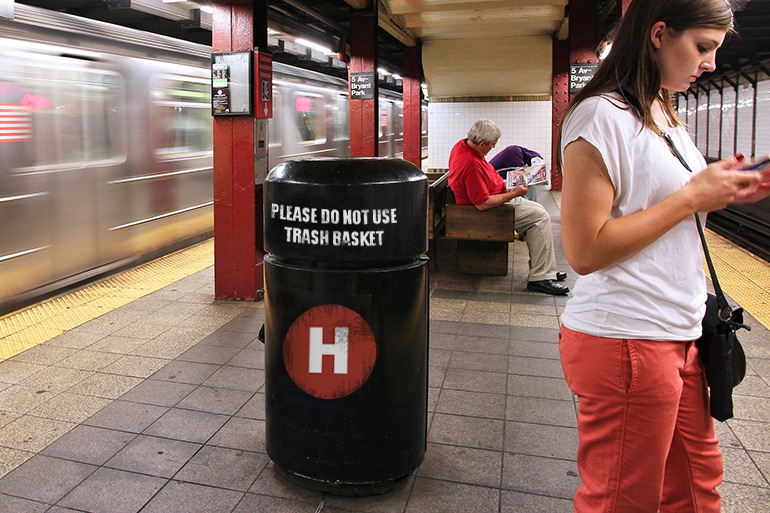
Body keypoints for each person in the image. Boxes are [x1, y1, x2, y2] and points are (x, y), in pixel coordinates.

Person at [557, 0, 770, 511]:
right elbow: (585, 250)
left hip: (679, 330)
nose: (711, 64)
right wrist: (692, 198)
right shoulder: (599, 116)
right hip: (627, 338)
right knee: (623, 499)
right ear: (658, 33)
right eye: (702, 47)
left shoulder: (662, 112)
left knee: (696, 489)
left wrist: (723, 190)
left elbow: (666, 208)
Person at [448, 119, 568, 295]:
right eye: (492, 145)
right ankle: (540, 277)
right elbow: (482, 204)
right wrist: (514, 193)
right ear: (482, 144)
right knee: (539, 218)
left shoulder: (462, 145)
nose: (493, 149)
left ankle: (544, 269)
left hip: (499, 197)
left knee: (539, 211)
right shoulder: (470, 164)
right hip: (486, 212)